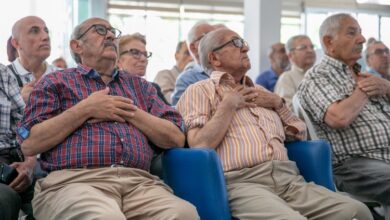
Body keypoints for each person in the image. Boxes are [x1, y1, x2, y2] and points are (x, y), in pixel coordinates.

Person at [177, 27, 372, 220]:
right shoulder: (199, 91)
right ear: (214, 58)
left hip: (290, 180)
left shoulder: (262, 92)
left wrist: (278, 104)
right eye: (236, 44)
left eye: (244, 43)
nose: (246, 49)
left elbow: (300, 134)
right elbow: (199, 144)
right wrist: (227, 106)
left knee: (358, 211)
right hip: (244, 184)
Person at [17, 17, 198, 220]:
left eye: (113, 32)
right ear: (77, 46)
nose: (111, 35)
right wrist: (85, 109)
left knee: (185, 214)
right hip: (75, 181)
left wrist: (129, 111)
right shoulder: (56, 81)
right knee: (104, 217)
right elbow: (30, 143)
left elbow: (175, 137)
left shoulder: (141, 86)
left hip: (139, 183)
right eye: (100, 30)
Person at [297, 13, 390, 206]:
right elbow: (339, 117)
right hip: (354, 164)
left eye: (361, 33)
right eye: (352, 33)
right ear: (329, 41)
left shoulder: (360, 75)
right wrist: (363, 89)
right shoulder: (317, 77)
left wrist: (387, 88)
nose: (362, 39)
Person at [0, 63, 35, 220]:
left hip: (12, 160)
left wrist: (28, 164)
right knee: (5, 198)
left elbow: (24, 124)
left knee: (54, 196)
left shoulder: (3, 73)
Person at [9, 16, 57, 102]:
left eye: (46, 31)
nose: (46, 36)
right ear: (16, 43)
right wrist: (20, 102)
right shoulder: (3, 78)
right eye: (34, 31)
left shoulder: (64, 76)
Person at [171, 21, 215, 105]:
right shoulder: (186, 79)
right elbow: (180, 114)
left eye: (215, 36)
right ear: (193, 47)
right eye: (208, 36)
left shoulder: (228, 72)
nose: (215, 41)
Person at [117, 33, 169, 105]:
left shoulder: (153, 88)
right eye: (135, 52)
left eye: (145, 54)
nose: (143, 59)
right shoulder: (110, 89)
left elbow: (171, 115)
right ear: (117, 60)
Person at [274, 35, 316, 109]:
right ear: (290, 55)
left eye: (312, 47)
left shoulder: (320, 74)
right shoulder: (287, 78)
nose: (310, 50)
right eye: (303, 47)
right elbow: (287, 110)